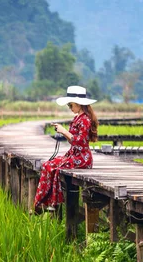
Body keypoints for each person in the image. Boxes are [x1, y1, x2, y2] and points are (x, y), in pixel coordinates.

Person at [33, 85, 98, 213]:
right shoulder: (78, 118)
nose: (69, 107)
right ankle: (43, 203)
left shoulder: (84, 120)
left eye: (70, 105)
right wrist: (63, 132)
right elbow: (72, 141)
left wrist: (64, 131)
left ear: (78, 103)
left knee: (51, 166)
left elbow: (80, 142)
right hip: (75, 155)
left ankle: (47, 203)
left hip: (82, 158)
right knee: (48, 165)